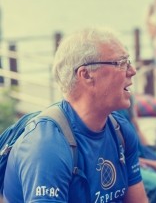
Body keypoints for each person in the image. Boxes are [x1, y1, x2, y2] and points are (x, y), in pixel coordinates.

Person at [3, 27, 148, 202]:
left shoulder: (120, 130)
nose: (132, 70)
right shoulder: (47, 146)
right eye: (121, 62)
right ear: (86, 74)